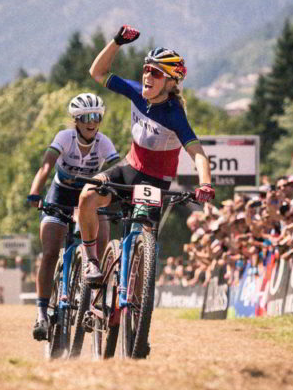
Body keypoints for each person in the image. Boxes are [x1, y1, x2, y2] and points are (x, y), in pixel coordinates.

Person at [79, 25, 215, 289]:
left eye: (155, 72)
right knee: (87, 195)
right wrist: (117, 42)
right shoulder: (135, 92)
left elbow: (198, 154)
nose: (146, 76)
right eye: (145, 69)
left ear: (171, 82)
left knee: (144, 237)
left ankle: (133, 304)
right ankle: (90, 259)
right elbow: (97, 72)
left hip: (154, 183)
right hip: (129, 169)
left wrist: (206, 183)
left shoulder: (174, 114)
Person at [26, 92, 121, 340]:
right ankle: (41, 314)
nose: (92, 122)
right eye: (86, 117)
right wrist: (36, 192)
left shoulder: (104, 142)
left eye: (97, 117)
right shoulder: (64, 137)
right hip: (59, 196)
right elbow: (46, 166)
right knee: (48, 253)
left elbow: (116, 169)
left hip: (87, 198)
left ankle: (94, 302)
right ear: (76, 120)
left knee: (102, 238)